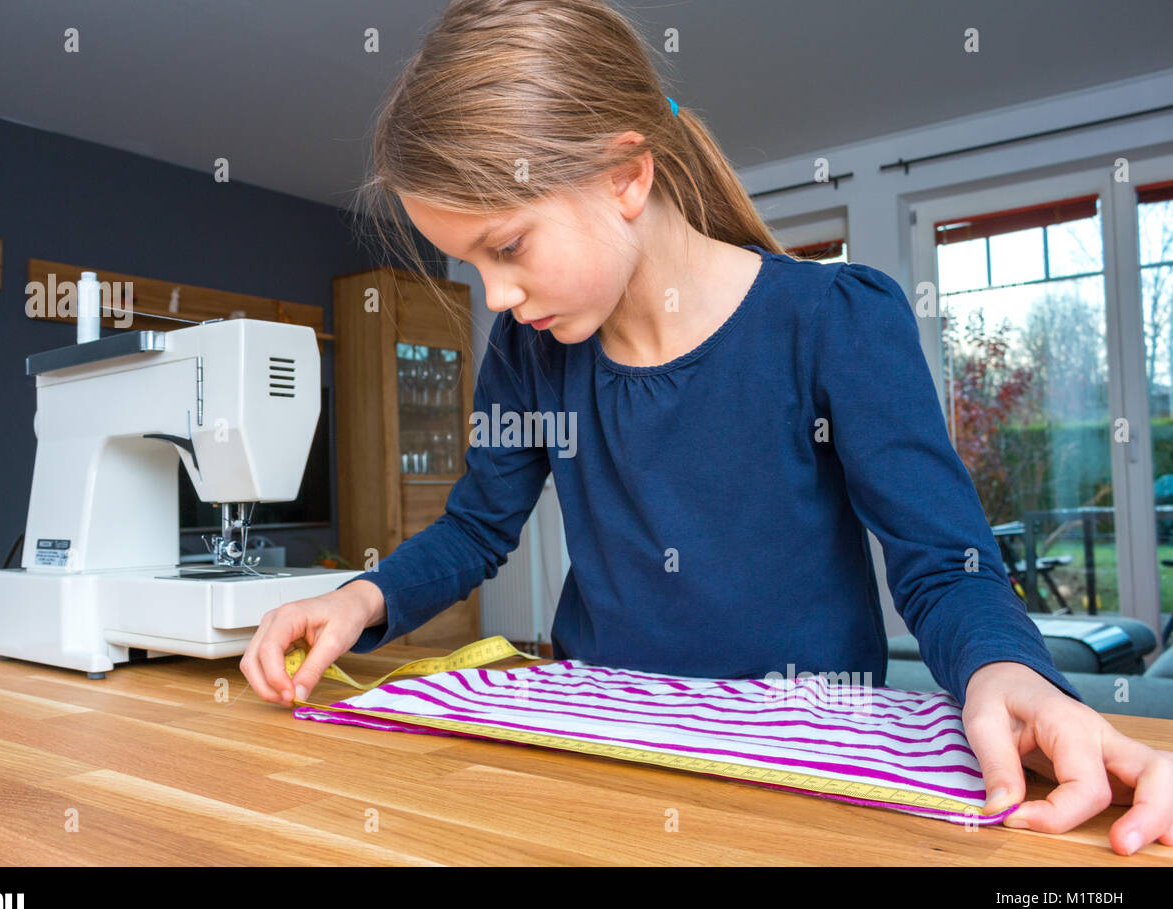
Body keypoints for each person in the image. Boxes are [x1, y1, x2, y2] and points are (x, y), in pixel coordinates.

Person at [240, 0, 1173, 855]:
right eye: (468, 263)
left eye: (509, 246)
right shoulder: (531, 352)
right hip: (594, 752)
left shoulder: (835, 321)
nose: (496, 296)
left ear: (625, 176)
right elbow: (481, 526)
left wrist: (1007, 669)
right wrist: (360, 599)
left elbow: (941, 560)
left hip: (810, 771)